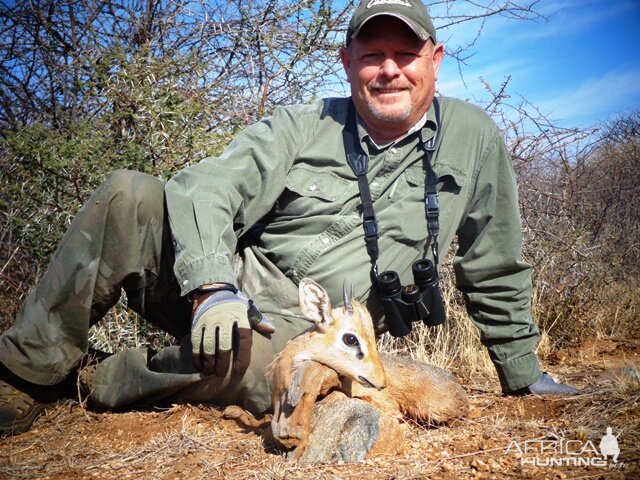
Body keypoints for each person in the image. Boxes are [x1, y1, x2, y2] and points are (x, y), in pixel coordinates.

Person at [0, 0, 577, 436]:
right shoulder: (304, 124)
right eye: (372, 55)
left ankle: (97, 379)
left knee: (261, 367)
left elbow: (495, 262)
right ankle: (26, 373)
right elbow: (207, 183)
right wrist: (211, 284)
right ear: (347, 61)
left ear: (435, 60)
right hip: (224, 287)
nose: (389, 71)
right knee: (129, 195)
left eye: (405, 55)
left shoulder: (475, 138)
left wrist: (521, 371)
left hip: (319, 328)